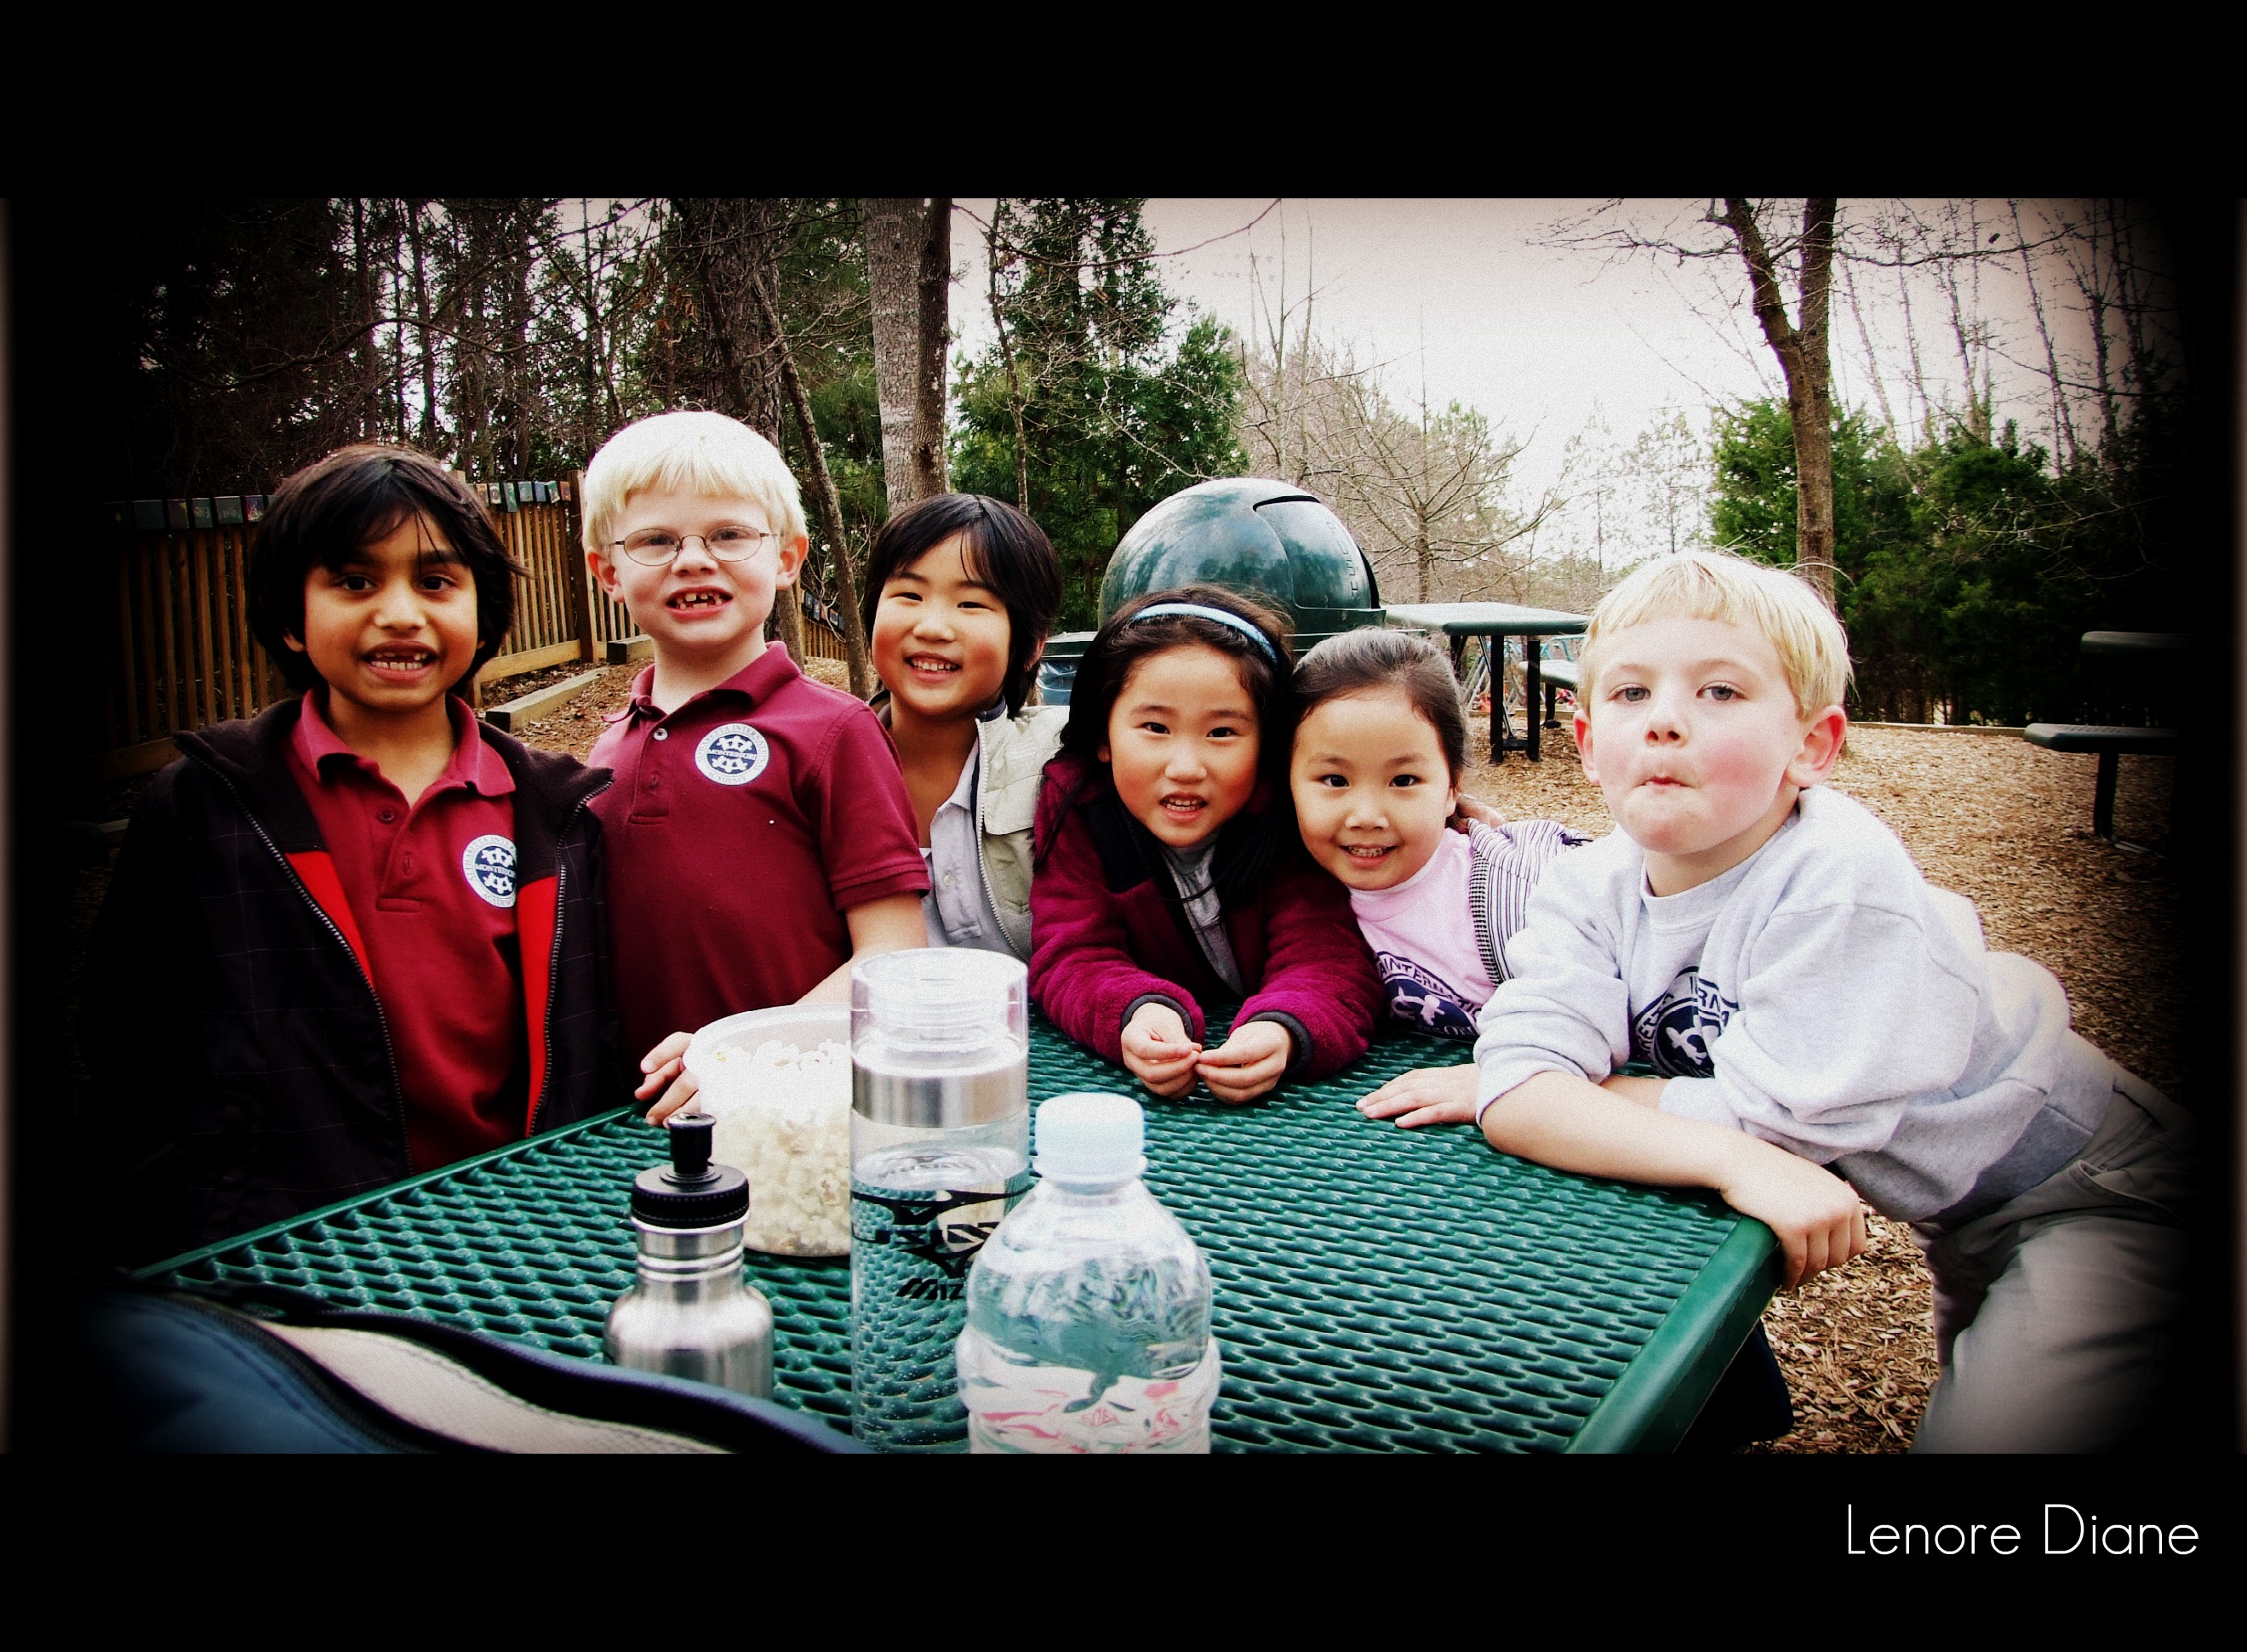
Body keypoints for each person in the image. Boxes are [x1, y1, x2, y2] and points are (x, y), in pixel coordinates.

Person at [1458, 546, 2193, 1452]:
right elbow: (1522, 1083)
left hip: (2095, 1193)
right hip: (1956, 1214)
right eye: (1631, 692)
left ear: (1810, 746)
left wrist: (1574, 1095)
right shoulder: (1587, 885)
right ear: (1586, 742)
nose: (1665, 721)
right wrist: (1532, 1089)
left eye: (1719, 691)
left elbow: (1774, 1130)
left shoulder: (1837, 879)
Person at [83, 445, 627, 1255]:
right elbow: (129, 1044)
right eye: (354, 581)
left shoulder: (558, 814)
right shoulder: (205, 805)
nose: (400, 612)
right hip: (283, 1245)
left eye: (435, 582)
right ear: (288, 616)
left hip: (513, 1230)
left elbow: (587, 1042)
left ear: (485, 614)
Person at [582, 412, 929, 1123]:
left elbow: (892, 952)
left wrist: (741, 1061)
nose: (693, 560)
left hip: (796, 1117)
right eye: (656, 540)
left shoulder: (835, 732)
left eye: (729, 534)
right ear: (608, 572)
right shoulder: (606, 752)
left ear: (787, 558)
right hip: (629, 1123)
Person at [1030, 585, 1386, 1103]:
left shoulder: (1291, 814)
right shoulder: (1081, 807)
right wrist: (1136, 1013)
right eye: (1155, 727)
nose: (1185, 768)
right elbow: (1072, 954)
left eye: (1221, 732)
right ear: (1104, 736)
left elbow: (1327, 956)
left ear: (1268, 742)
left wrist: (1282, 1031)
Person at [1286, 628, 1585, 1099]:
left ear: (1452, 787)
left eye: (1404, 780)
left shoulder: (1513, 894)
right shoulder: (1285, 896)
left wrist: (1512, 1077)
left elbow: (1594, 1006)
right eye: (1334, 780)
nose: (1367, 816)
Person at [860, 494, 1066, 961]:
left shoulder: (1061, 762)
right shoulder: (820, 763)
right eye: (909, 596)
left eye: (971, 603)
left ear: (1032, 646)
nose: (933, 628)